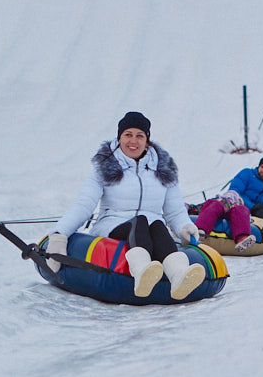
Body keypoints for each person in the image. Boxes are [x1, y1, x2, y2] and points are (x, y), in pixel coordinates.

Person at [47, 112, 205, 300]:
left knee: (157, 225)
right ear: (119, 137)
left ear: (147, 140)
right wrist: (60, 234)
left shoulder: (163, 170)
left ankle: (179, 275)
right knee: (141, 221)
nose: (133, 141)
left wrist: (184, 227)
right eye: (128, 134)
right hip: (113, 226)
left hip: (152, 231)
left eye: (140, 135)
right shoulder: (105, 168)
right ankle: (141, 272)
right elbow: (84, 204)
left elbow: (175, 210)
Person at [226, 156, 263, 222]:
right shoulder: (247, 174)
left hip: (255, 213)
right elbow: (234, 192)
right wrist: (252, 207)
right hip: (239, 206)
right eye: (262, 167)